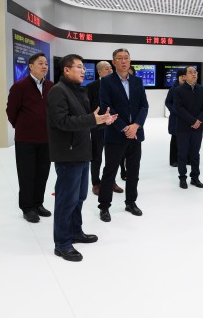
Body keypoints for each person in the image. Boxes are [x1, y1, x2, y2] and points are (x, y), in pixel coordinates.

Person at [47, 54, 117, 262]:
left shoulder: (79, 91)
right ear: (66, 70)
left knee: (79, 197)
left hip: (81, 152)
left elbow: (86, 120)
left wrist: (102, 120)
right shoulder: (58, 91)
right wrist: (91, 119)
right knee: (66, 200)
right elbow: (62, 122)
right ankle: (62, 243)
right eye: (78, 67)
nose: (83, 70)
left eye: (83, 67)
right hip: (68, 154)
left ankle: (75, 232)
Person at [98, 48, 149, 222]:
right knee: (110, 171)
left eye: (126, 58)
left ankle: (131, 202)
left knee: (133, 171)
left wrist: (136, 125)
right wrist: (125, 128)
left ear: (130, 60)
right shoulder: (107, 81)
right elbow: (107, 107)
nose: (123, 61)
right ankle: (104, 206)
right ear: (113, 62)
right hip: (116, 133)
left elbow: (144, 106)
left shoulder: (137, 81)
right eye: (119, 58)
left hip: (135, 134)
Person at [6, 52, 53, 223]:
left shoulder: (51, 86)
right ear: (31, 66)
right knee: (27, 174)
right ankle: (27, 207)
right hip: (26, 139)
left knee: (42, 173)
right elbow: (11, 111)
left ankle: (38, 203)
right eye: (40, 63)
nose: (44, 66)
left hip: (46, 139)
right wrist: (21, 126)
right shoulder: (20, 86)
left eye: (46, 63)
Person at [86, 60, 124, 195]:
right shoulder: (91, 87)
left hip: (114, 126)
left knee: (113, 156)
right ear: (99, 72)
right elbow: (88, 107)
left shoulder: (117, 85)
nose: (110, 71)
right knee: (96, 156)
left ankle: (110, 181)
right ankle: (96, 183)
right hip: (98, 127)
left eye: (111, 69)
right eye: (107, 69)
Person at [173, 65, 203, 189]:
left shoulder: (202, 90)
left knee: (195, 154)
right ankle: (182, 178)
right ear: (184, 76)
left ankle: (195, 178)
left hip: (198, 127)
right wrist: (193, 120)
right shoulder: (178, 90)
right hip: (183, 127)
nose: (194, 74)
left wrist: (199, 120)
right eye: (190, 72)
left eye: (195, 72)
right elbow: (179, 108)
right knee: (182, 154)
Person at [164, 68, 186, 167]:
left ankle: (187, 159)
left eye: (185, 76)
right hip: (176, 118)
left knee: (186, 139)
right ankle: (173, 160)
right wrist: (175, 110)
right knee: (175, 139)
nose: (184, 78)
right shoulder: (173, 89)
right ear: (178, 77)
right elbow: (168, 102)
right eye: (182, 76)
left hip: (187, 118)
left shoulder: (190, 88)